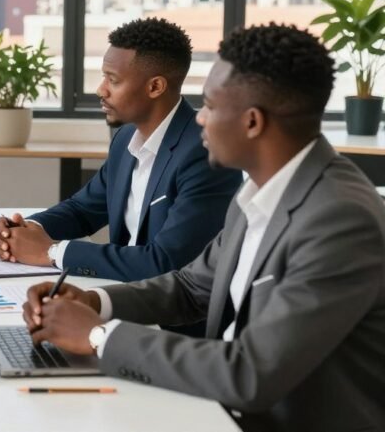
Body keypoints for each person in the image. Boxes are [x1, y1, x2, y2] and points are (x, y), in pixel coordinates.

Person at [22, 24, 385, 431]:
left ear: (252, 122)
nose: (199, 121)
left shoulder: (339, 220)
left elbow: (251, 373)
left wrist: (99, 337)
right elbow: (192, 287)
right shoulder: (262, 192)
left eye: (209, 106)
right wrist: (94, 303)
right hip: (221, 407)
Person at [0, 18, 241, 281]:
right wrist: (21, 232)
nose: (101, 90)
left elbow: (165, 262)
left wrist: (52, 252)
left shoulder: (205, 154)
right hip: (123, 291)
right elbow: (83, 210)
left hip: (166, 312)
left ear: (155, 86)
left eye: (113, 80)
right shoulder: (126, 138)